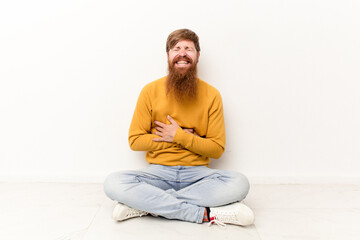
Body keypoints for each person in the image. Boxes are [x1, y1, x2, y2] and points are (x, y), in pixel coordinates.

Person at [104, 29, 254, 227]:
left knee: (240, 183)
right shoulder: (150, 91)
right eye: (176, 48)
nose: (182, 53)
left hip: (199, 175)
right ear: (168, 56)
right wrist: (177, 138)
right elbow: (135, 141)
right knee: (113, 182)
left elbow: (217, 149)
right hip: (158, 173)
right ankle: (205, 215)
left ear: (197, 56)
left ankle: (146, 206)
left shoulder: (212, 95)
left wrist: (179, 136)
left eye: (188, 49)